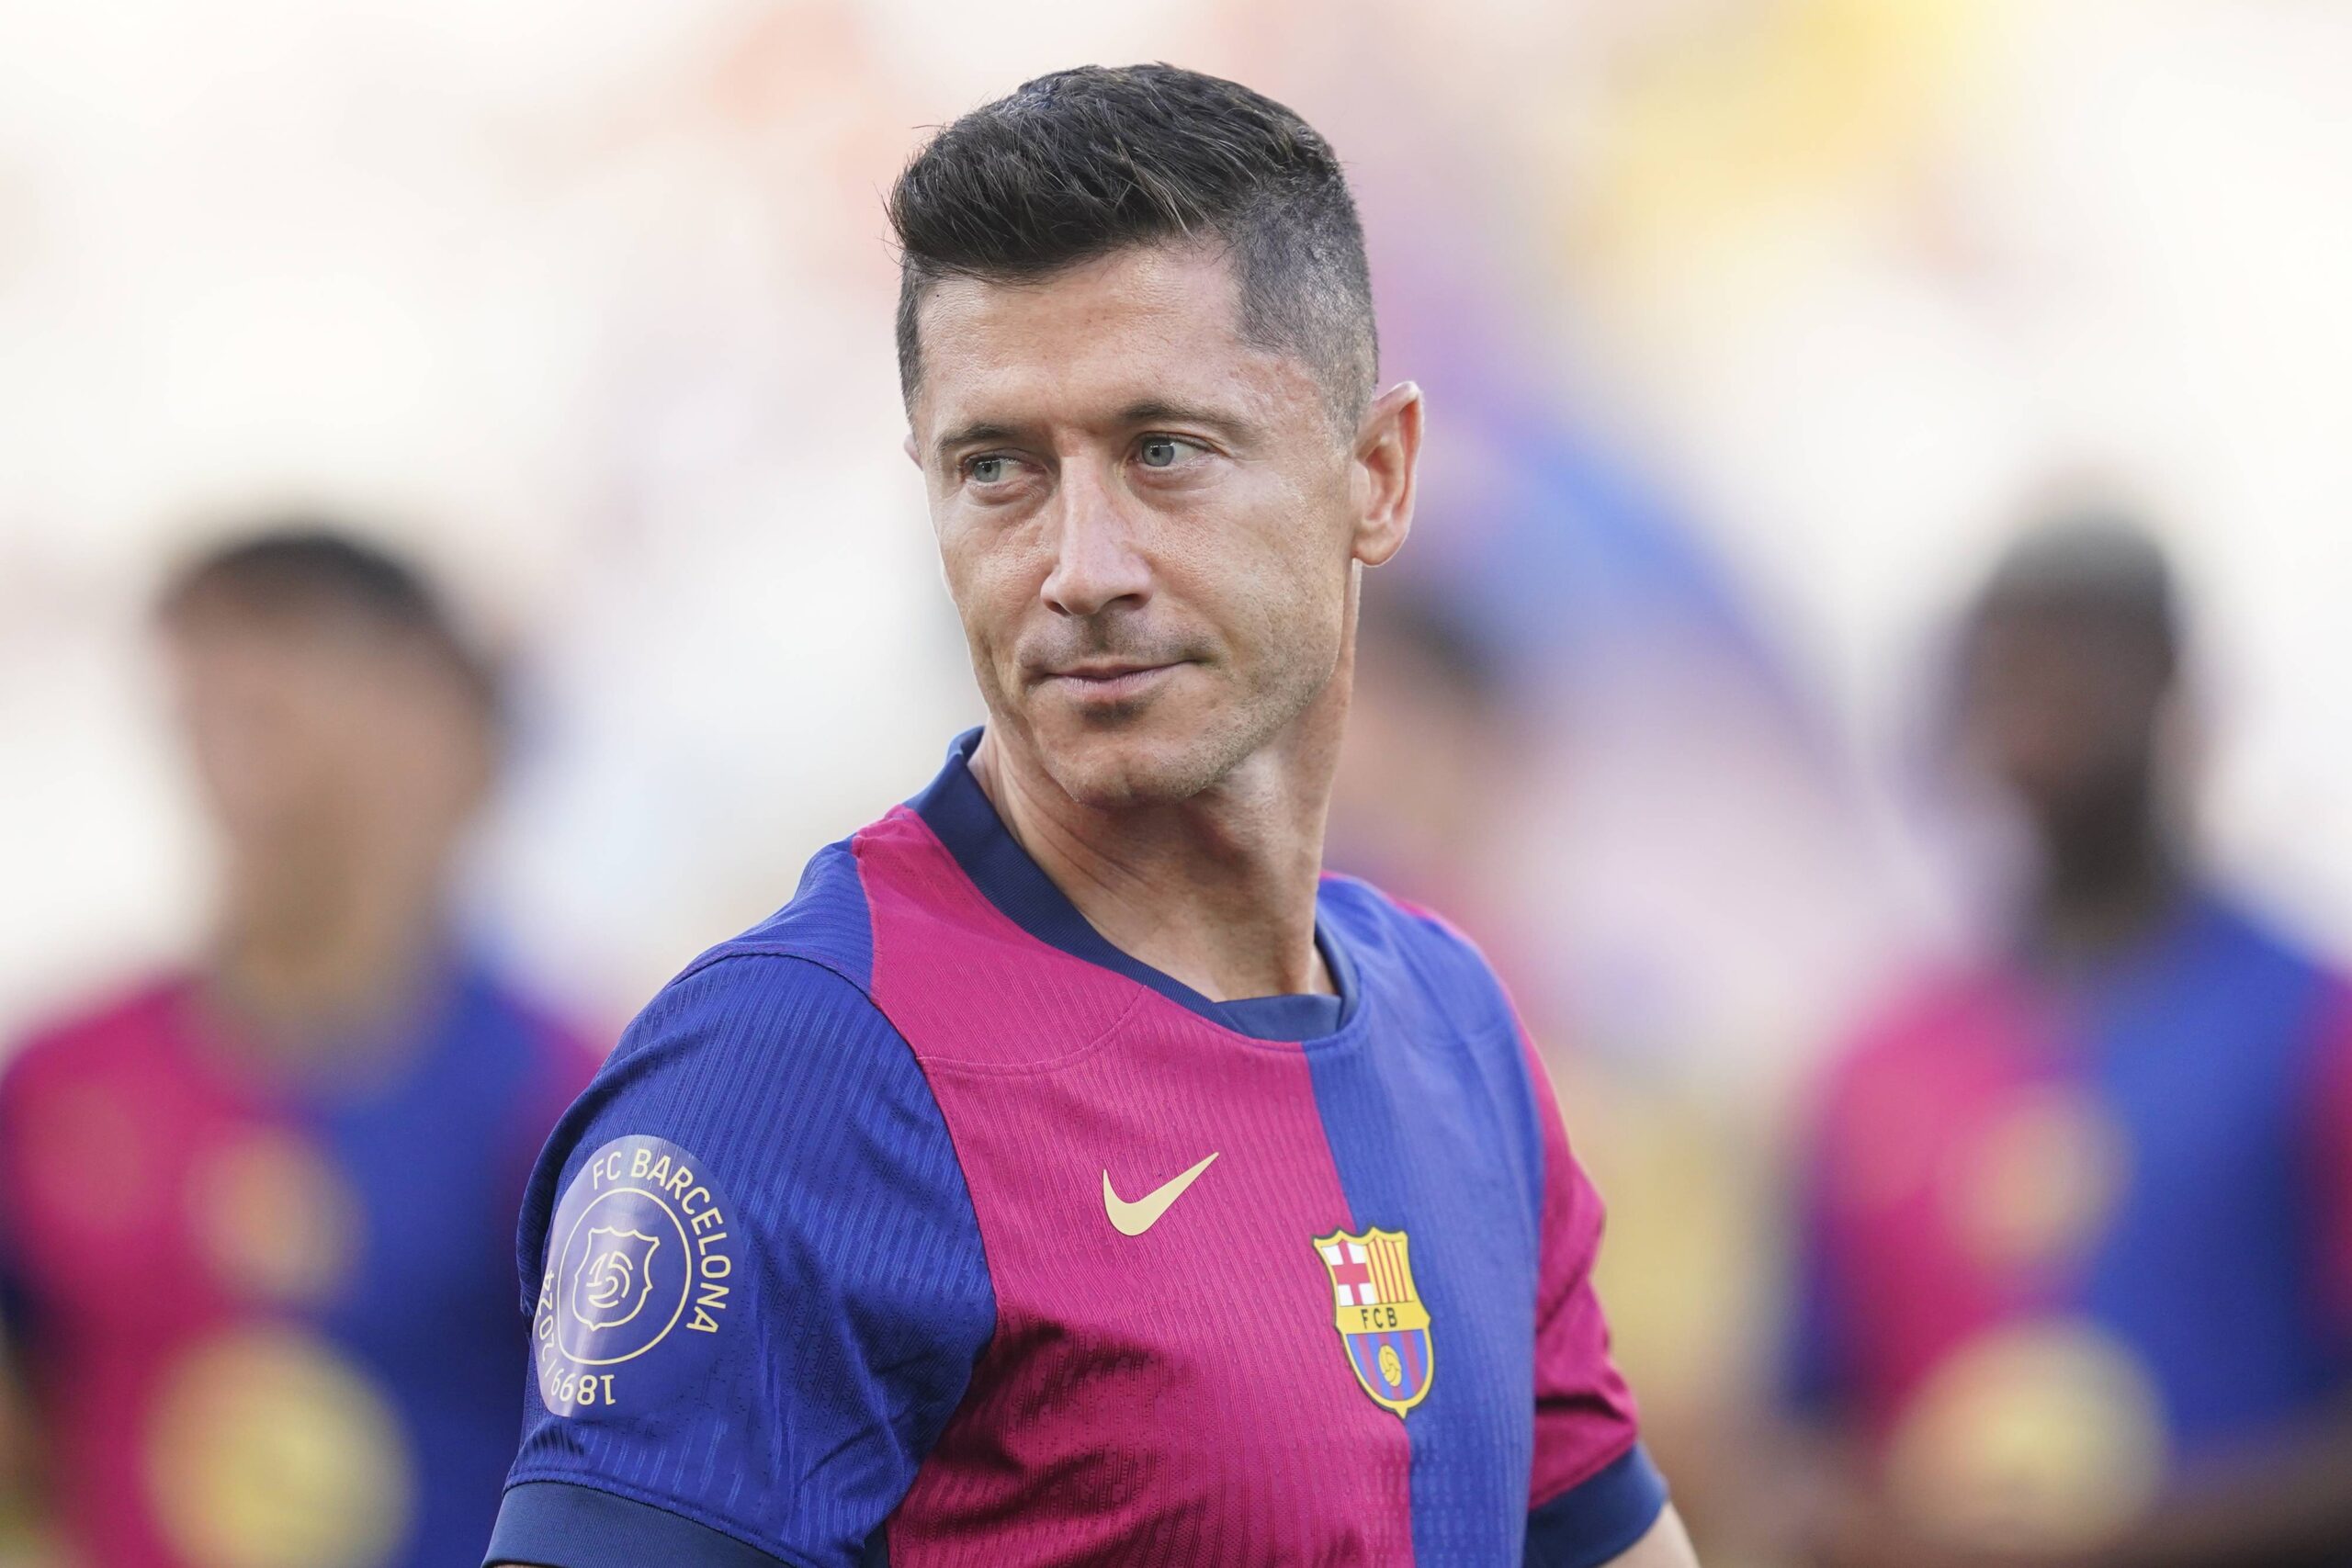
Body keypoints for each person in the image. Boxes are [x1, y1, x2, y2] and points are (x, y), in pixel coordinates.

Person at [485, 63, 1697, 1568]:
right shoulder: (798, 1070)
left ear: (1375, 475)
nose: (1082, 563)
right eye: (999, 469)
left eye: (1162, 450)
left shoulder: (1455, 1026)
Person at [0, 525, 596, 1568]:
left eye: (289, 671)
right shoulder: (59, 1079)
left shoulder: (567, 1096)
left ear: (445, 732)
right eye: (212, 688)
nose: (242, 724)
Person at [1782, 515, 2352, 1568]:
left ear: (2177, 694)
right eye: (2004, 665)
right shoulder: (1879, 1056)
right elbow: (1801, 1423)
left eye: (2080, 654)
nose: (2036, 696)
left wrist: (2124, 1546)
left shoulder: (2312, 1022)